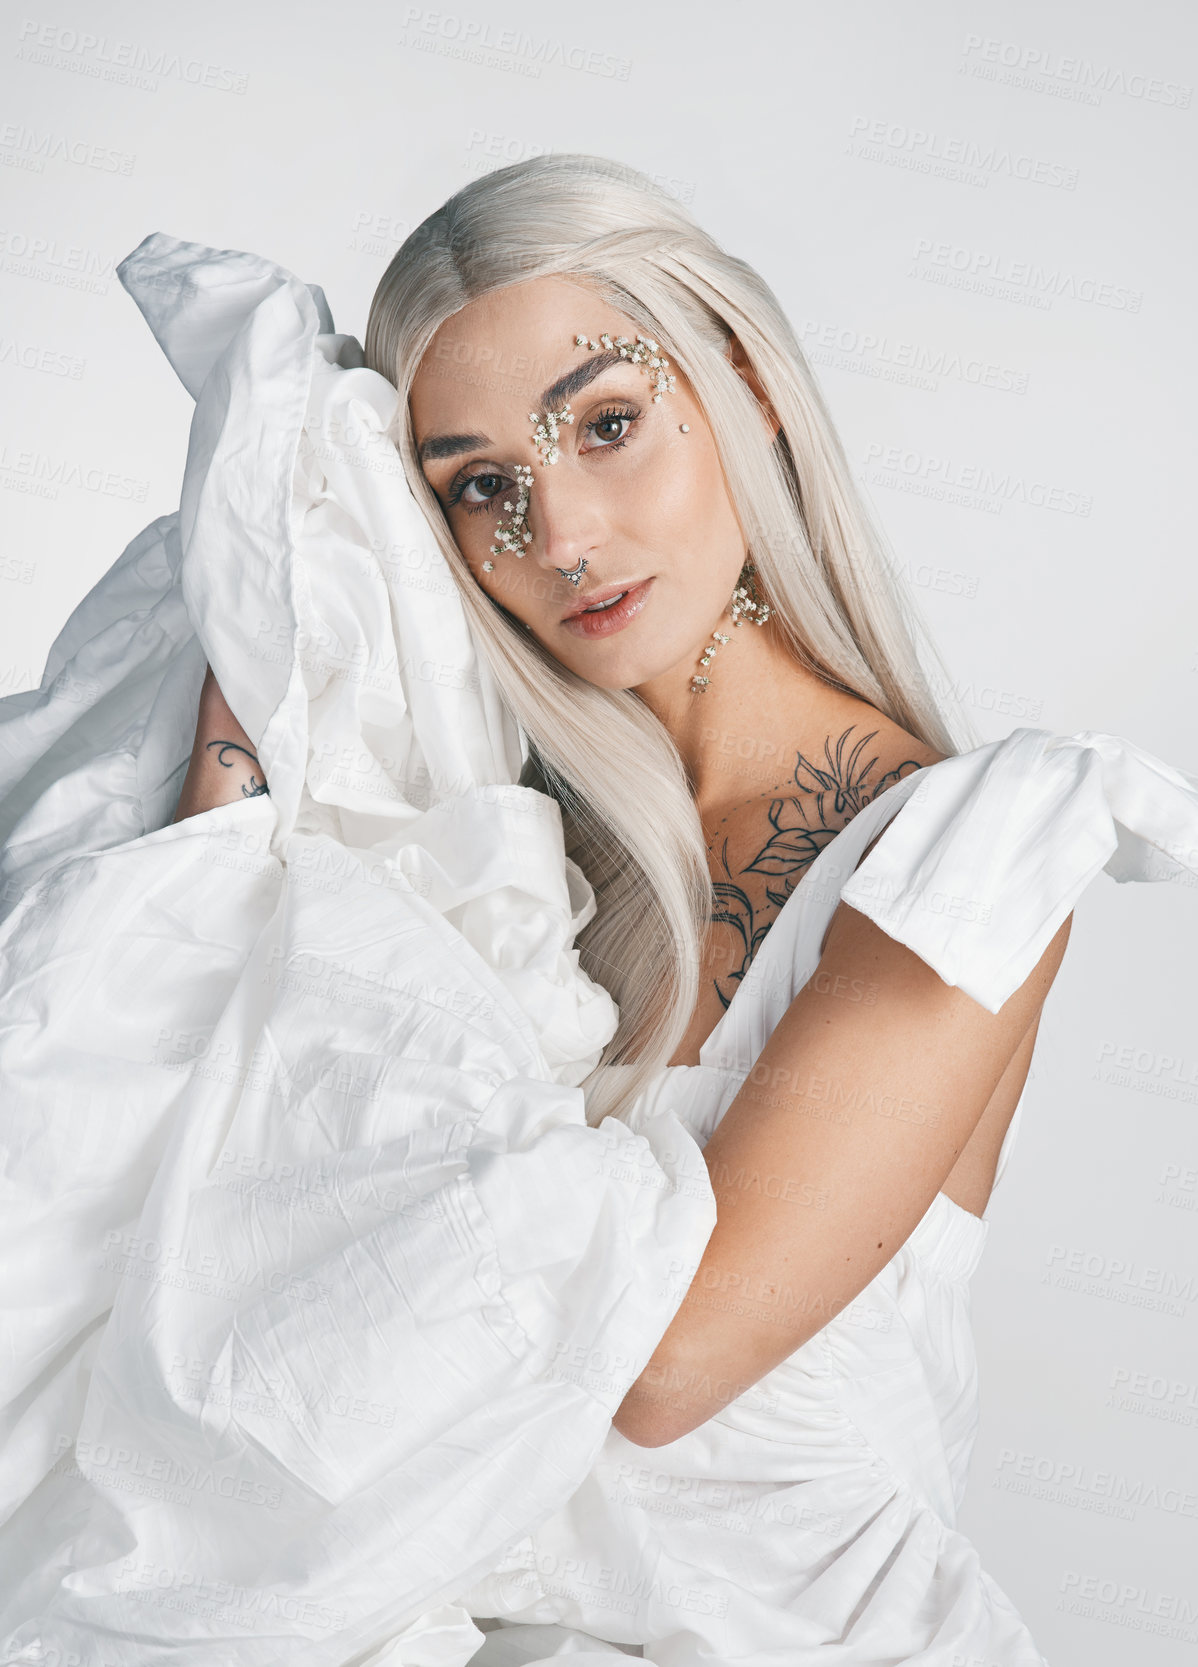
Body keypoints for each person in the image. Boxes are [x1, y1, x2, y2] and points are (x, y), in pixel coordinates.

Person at [156, 154, 1198, 1665]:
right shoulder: (493, 877)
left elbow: (670, 1365)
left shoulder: (965, 849)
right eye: (480, 488)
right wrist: (276, 600)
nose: (561, 532)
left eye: (607, 423)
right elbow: (189, 1145)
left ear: (745, 386)